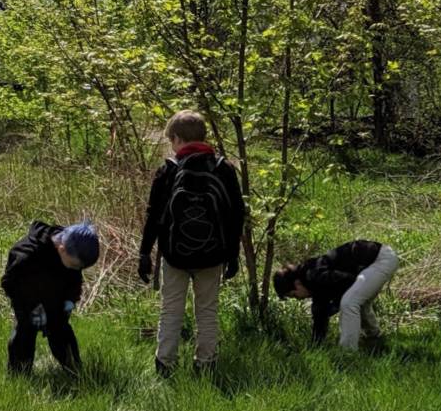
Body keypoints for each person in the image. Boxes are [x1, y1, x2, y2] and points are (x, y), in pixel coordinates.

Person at [138, 110, 247, 377]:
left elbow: (154, 216)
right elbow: (236, 215)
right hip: (213, 256)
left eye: (170, 140)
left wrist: (144, 253)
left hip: (174, 255)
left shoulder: (168, 170)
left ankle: (165, 366)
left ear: (176, 138)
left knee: (170, 312)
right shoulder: (224, 168)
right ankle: (205, 365)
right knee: (207, 312)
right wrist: (233, 255)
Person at [0, 219, 99, 375]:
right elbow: (9, 283)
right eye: (75, 266)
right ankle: (19, 375)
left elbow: (74, 280)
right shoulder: (26, 254)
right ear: (61, 248)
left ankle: (75, 371)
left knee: (61, 331)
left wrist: (70, 301)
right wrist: (32, 308)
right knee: (24, 334)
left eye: (80, 267)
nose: (77, 269)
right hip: (27, 302)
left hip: (56, 301)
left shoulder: (74, 248)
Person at [273, 239, 401, 351]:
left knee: (349, 303)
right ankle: (375, 340)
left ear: (297, 284)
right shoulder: (311, 278)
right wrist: (315, 346)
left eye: (294, 295)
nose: (299, 298)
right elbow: (320, 316)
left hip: (381, 260)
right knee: (357, 301)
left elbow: (350, 280)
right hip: (380, 257)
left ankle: (347, 352)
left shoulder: (314, 276)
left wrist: (336, 305)